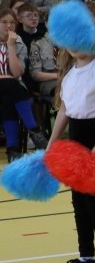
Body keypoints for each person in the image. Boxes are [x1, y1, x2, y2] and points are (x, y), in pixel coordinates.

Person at [47, 42, 95, 263]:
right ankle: (86, 255)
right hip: (76, 140)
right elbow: (64, 111)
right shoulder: (69, 75)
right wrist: (52, 143)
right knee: (78, 202)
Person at [0, 10, 47, 161]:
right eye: (4, 22)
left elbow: (17, 72)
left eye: (12, 22)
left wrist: (11, 46)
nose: (9, 26)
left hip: (12, 89)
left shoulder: (19, 43)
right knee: (11, 84)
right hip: (13, 87)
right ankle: (34, 129)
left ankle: (13, 149)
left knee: (9, 98)